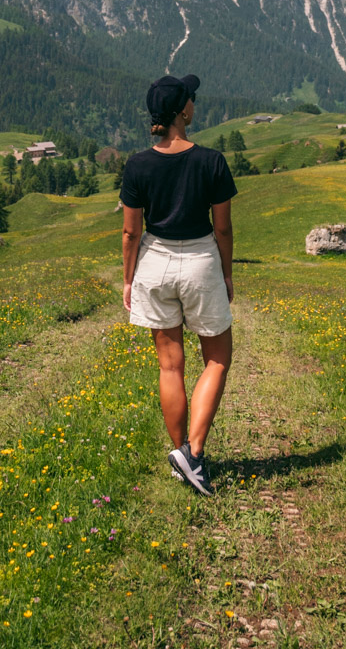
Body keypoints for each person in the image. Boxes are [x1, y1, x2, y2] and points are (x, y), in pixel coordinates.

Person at [119, 74, 237, 496]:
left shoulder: (137, 164)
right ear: (182, 111)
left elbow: (131, 233)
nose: (195, 104)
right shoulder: (212, 161)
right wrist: (226, 273)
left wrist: (129, 279)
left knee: (170, 365)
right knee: (218, 358)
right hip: (201, 260)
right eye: (192, 99)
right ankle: (195, 452)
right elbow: (222, 229)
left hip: (155, 261)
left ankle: (180, 455)